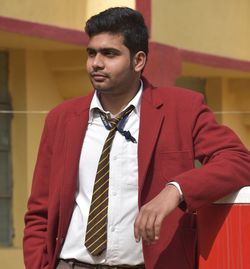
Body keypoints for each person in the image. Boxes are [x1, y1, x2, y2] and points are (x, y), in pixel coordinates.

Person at [23, 7, 250, 269]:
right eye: (91, 53)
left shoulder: (182, 109)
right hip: (71, 264)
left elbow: (238, 160)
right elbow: (40, 210)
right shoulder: (62, 118)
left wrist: (175, 190)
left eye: (109, 54)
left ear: (138, 60)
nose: (96, 63)